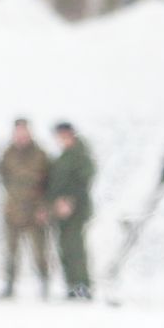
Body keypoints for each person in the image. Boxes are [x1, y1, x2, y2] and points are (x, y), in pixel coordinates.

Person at [0, 118, 51, 299]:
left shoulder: (40, 155)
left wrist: (43, 208)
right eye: (17, 132)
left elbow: (48, 184)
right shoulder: (8, 154)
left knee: (39, 252)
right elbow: (3, 178)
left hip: (35, 212)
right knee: (11, 252)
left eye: (23, 132)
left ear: (29, 133)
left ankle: (44, 285)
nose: (20, 136)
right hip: (13, 212)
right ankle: (9, 287)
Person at [47, 121, 96, 299]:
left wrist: (68, 200)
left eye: (64, 135)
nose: (62, 138)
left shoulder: (80, 154)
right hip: (61, 211)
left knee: (76, 249)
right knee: (65, 248)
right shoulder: (64, 155)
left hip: (76, 210)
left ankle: (82, 286)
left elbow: (84, 180)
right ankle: (72, 286)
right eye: (59, 135)